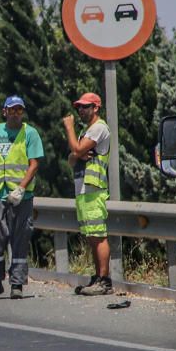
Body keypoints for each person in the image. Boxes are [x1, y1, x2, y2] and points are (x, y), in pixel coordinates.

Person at [0, 95, 43, 300]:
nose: (15, 113)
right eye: (11, 110)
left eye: (19, 110)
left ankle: (17, 284)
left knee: (19, 239)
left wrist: (21, 188)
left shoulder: (30, 134)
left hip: (21, 196)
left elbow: (34, 164)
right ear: (4, 111)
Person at [62, 92, 112, 295]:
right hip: (83, 189)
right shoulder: (88, 130)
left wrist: (69, 128)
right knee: (91, 236)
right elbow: (72, 158)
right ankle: (97, 277)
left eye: (85, 107)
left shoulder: (99, 128)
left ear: (96, 108)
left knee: (98, 235)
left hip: (94, 187)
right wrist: (77, 153)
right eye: (79, 107)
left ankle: (105, 280)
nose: (80, 111)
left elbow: (75, 148)